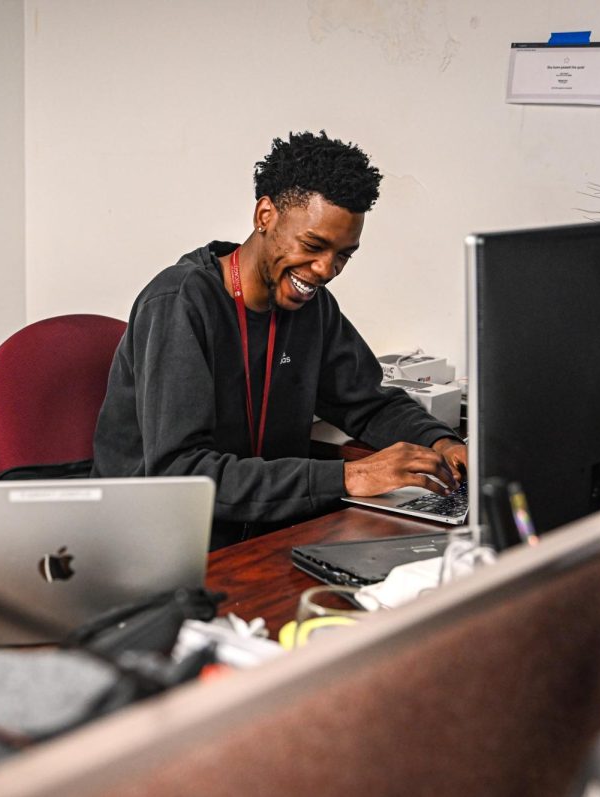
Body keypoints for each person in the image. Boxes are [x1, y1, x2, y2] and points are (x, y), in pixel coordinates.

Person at [92, 131, 467, 549]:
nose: (326, 269)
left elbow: (368, 401)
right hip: (163, 544)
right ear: (265, 215)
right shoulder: (179, 303)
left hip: (264, 527)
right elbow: (182, 475)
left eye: (344, 254)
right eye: (313, 245)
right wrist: (353, 475)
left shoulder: (313, 307)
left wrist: (442, 442)